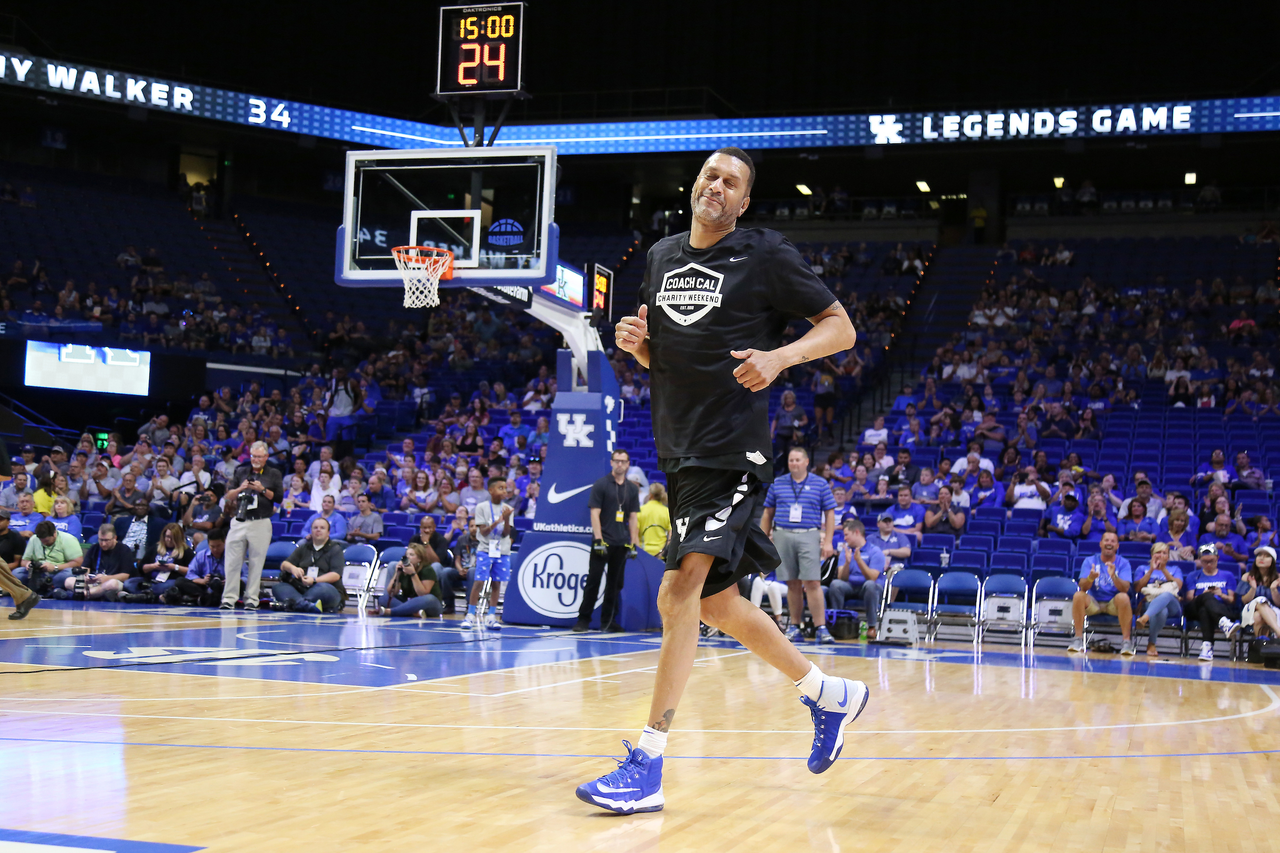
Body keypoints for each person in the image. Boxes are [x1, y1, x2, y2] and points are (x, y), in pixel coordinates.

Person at [577, 148, 865, 816]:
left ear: (742, 204)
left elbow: (841, 327)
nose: (718, 186)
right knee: (714, 604)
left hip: (733, 452)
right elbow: (670, 361)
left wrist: (780, 357)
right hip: (681, 451)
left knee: (678, 594)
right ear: (695, 187)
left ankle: (647, 762)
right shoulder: (660, 255)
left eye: (732, 183)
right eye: (711, 175)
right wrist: (638, 347)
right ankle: (828, 692)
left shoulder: (764, 254)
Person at [760, 447, 837, 644]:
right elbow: (768, 513)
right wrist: (762, 539)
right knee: (792, 583)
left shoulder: (820, 483)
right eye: (791, 460)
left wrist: (828, 541)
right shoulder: (778, 483)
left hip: (809, 534)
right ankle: (795, 626)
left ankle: (821, 627)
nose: (793, 463)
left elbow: (829, 514)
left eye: (797, 460)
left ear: (806, 462)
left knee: (812, 582)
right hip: (783, 534)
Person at [573, 451, 642, 633]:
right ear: (612, 463)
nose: (619, 464)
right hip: (603, 541)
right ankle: (583, 620)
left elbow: (633, 517)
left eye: (623, 461)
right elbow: (594, 513)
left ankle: (608, 621)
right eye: (616, 461)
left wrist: (634, 542)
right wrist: (598, 539)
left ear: (628, 464)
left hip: (621, 543)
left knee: (616, 584)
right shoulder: (601, 484)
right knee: (593, 581)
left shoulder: (632, 489)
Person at [220, 441, 282, 611]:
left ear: (266, 457)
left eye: (259, 456)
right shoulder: (241, 470)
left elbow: (278, 498)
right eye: (253, 456)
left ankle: (251, 600)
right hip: (240, 520)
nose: (256, 459)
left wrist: (262, 490)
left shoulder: (274, 473)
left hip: (261, 521)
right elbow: (229, 496)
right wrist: (241, 487)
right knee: (232, 562)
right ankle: (229, 599)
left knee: (256, 562)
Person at [1067, 531, 1135, 655]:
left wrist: (1114, 576)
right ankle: (1077, 639)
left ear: (1117, 546)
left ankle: (1126, 642)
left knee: (1123, 597)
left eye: (1113, 541)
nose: (1109, 543)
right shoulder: (1090, 561)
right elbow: (1082, 586)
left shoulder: (1123, 563)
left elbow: (1125, 588)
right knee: (1078, 595)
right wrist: (1090, 578)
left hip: (1113, 604)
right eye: (1106, 540)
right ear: (1101, 544)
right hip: (1095, 603)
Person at [460, 476, 515, 630]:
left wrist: (507, 519)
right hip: (485, 549)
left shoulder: (508, 509)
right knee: (479, 582)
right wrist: (497, 521)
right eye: (500, 488)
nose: (504, 491)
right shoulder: (482, 507)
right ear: (491, 490)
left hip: (501, 550)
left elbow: (505, 534)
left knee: (497, 584)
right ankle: (470, 615)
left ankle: (491, 616)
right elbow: (483, 532)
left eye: (505, 488)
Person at [272, 517, 346, 613]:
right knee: (279, 587)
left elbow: (335, 575)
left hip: (324, 587)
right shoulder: (304, 547)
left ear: (328, 532)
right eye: (315, 528)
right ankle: (306, 604)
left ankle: (296, 603)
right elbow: (284, 564)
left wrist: (315, 580)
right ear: (311, 531)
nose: (318, 530)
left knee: (324, 589)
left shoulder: (335, 549)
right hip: (301, 587)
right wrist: (293, 568)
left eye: (322, 528)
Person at [827, 518, 887, 636]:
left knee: (870, 585)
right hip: (850, 586)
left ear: (857, 532)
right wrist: (847, 563)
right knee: (835, 585)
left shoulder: (875, 551)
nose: (844, 538)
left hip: (869, 587)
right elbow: (841, 578)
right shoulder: (846, 551)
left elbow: (872, 578)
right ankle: (838, 622)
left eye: (846, 535)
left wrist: (859, 561)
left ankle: (871, 626)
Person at [1183, 543, 1241, 661]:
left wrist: (1221, 595)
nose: (1208, 564)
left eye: (1212, 561)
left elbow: (1232, 600)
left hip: (1221, 607)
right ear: (1199, 560)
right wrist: (1203, 596)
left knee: (1205, 610)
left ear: (1217, 559)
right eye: (1205, 561)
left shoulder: (1227, 575)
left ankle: (1207, 647)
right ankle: (1224, 623)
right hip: (1194, 608)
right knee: (1206, 598)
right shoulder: (1193, 575)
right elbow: (1189, 597)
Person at [371, 542, 442, 617]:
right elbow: (392, 592)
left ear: (419, 559)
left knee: (428, 598)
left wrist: (413, 574)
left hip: (430, 604)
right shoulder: (403, 569)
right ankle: (414, 613)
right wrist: (397, 573)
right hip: (409, 601)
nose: (408, 557)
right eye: (407, 555)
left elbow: (422, 594)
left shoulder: (427, 570)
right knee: (384, 598)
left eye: (411, 555)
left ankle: (391, 612)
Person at [67, 523, 135, 601]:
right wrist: (86, 576)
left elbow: (125, 575)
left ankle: (85, 594)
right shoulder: (94, 548)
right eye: (100, 540)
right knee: (68, 581)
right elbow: (85, 567)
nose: (103, 544)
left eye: (106, 540)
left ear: (115, 538)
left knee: (112, 584)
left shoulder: (124, 550)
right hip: (93, 582)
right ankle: (90, 594)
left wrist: (106, 578)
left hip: (109, 582)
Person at [161, 528, 226, 606]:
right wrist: (202, 581)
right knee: (180, 581)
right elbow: (190, 573)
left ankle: (201, 599)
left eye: (218, 546)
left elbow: (244, 576)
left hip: (225, 588)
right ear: (208, 544)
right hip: (204, 587)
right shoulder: (201, 555)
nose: (215, 549)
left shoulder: (233, 556)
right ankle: (206, 598)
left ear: (224, 542)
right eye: (212, 546)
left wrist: (229, 581)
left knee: (239, 584)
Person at [409, 515, 458, 613]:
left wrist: (426, 544)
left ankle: (430, 601)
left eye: (429, 527)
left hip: (438, 570)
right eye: (424, 528)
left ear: (434, 527)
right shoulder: (415, 539)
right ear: (420, 528)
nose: (427, 530)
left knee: (434, 567)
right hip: (418, 568)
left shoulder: (441, 540)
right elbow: (409, 557)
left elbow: (437, 560)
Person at [638, 482, 671, 556]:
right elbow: (671, 534)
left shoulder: (640, 510)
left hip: (644, 552)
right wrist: (664, 551)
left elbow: (635, 533)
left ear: (650, 494)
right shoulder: (667, 512)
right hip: (661, 553)